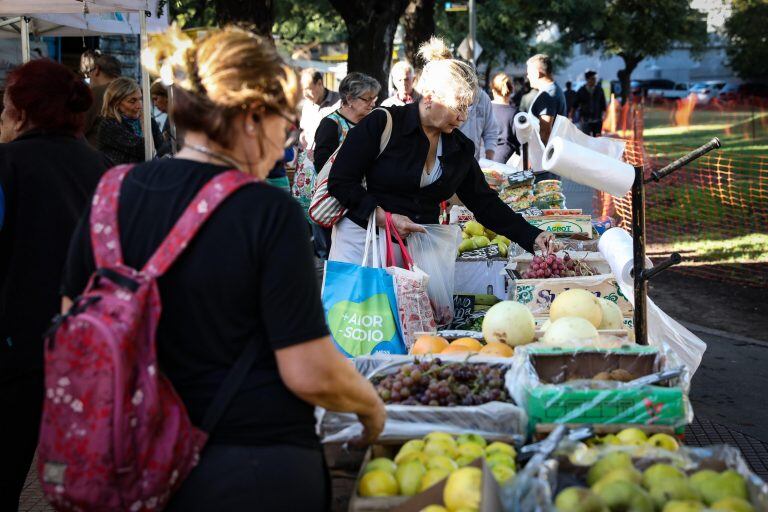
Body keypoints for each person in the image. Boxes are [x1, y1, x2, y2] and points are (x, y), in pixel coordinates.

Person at [62, 26, 384, 511]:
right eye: (284, 125)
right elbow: (307, 371)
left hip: (129, 454)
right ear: (253, 117)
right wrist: (371, 407)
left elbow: (73, 321)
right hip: (248, 465)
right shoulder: (266, 211)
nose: (285, 144)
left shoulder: (109, 196)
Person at [326, 37, 556, 265]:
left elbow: (484, 202)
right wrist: (383, 218)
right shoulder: (383, 123)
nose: (463, 117)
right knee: (363, 303)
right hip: (361, 245)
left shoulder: (460, 147)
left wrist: (533, 236)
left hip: (415, 251)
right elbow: (340, 181)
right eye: (457, 107)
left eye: (467, 108)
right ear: (429, 98)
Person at [0, 58, 109, 511]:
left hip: (14, 349)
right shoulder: (102, 168)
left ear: (23, 112)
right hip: (90, 347)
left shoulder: (7, 165)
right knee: (83, 483)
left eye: (4, 108)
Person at [312, 72, 381, 259]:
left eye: (374, 98)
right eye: (367, 99)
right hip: (335, 203)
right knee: (333, 254)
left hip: (356, 203)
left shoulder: (368, 123)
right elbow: (322, 164)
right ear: (349, 99)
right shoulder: (330, 124)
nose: (372, 104)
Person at [96, 77, 162, 164]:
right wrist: (144, 124)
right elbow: (145, 149)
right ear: (116, 104)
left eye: (140, 99)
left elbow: (162, 147)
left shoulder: (149, 121)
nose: (139, 106)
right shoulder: (109, 126)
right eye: (132, 101)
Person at [526, 53, 567, 181]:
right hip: (547, 163)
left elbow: (545, 131)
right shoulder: (551, 90)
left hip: (543, 166)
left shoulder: (548, 94)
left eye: (529, 73)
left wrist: (543, 160)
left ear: (538, 73)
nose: (527, 77)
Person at [80, 50, 122, 146]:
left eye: (90, 71)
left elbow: (79, 128)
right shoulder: (132, 92)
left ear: (97, 70)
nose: (89, 76)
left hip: (98, 155)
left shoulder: (96, 93)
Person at [298, 68, 341, 152]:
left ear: (319, 83)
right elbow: (303, 130)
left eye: (307, 89)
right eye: (302, 90)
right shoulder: (307, 104)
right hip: (307, 159)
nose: (304, 94)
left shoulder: (340, 102)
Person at [489, 72, 519, 163]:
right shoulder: (515, 114)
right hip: (503, 162)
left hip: (481, 159)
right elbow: (522, 142)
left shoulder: (483, 109)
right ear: (511, 90)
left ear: (493, 90)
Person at [574, 70, 607, 137]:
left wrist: (604, 114)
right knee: (586, 139)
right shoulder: (581, 90)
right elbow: (575, 104)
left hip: (597, 119)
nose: (595, 80)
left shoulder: (599, 89)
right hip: (585, 120)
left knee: (597, 139)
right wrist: (571, 116)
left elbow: (603, 103)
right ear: (587, 79)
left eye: (595, 79)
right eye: (592, 79)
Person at [150, 79, 173, 156]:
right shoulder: (170, 117)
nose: (155, 104)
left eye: (156, 99)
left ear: (167, 96)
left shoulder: (179, 117)